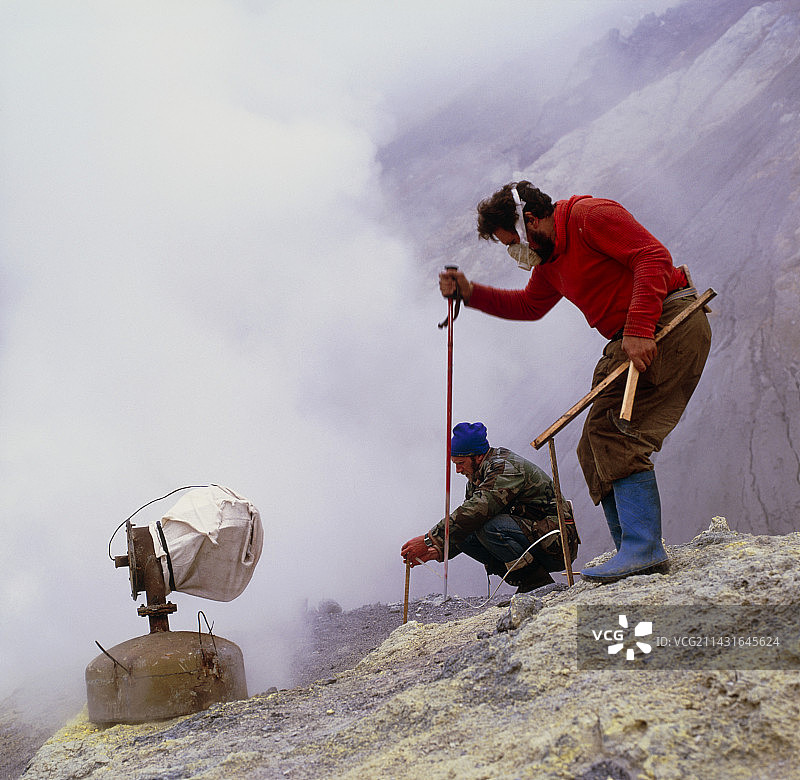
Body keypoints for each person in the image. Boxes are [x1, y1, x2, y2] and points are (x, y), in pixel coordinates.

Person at [439, 181, 711, 583]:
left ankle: (644, 550)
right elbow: (529, 305)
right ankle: (631, 550)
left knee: (617, 434)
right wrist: (471, 293)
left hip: (668, 322)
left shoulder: (589, 217)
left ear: (530, 221)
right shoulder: (550, 262)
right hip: (631, 336)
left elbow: (652, 256)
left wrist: (639, 327)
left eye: (511, 241)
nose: (514, 252)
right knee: (593, 444)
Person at [400, 422, 579, 593]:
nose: (458, 470)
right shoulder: (478, 476)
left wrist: (429, 539)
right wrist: (438, 550)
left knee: (488, 527)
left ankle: (536, 583)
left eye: (460, 463)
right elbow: (465, 524)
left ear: (478, 456)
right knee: (463, 533)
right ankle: (527, 582)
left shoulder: (505, 469)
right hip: (537, 537)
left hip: (559, 543)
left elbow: (476, 511)